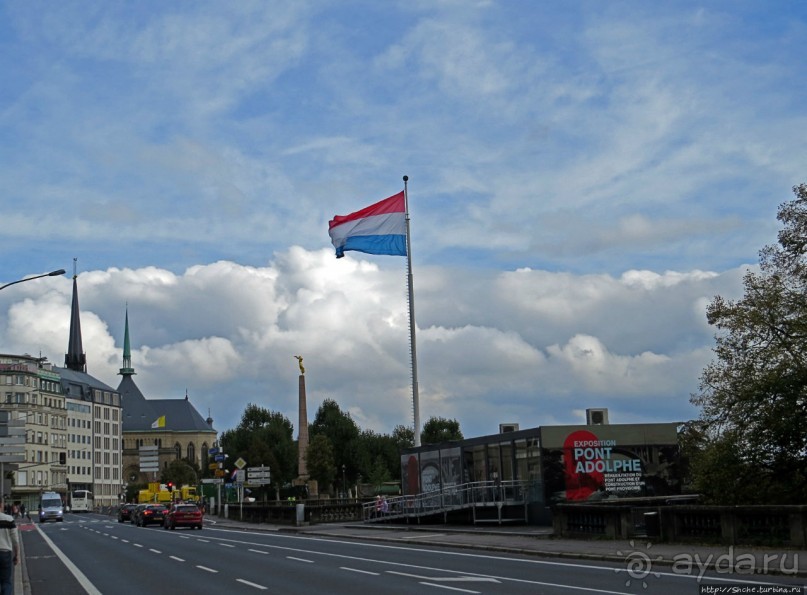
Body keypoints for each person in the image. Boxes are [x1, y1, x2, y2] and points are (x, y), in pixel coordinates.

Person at [0, 498, 20, 595]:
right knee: (6, 582)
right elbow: (15, 540)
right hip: (5, 554)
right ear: (1, 505)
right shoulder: (9, 519)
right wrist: (16, 555)